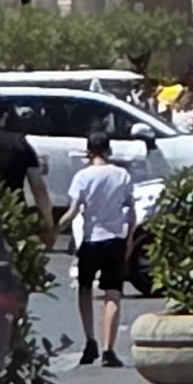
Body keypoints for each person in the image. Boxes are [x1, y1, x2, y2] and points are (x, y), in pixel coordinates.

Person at [66, 129, 137, 364]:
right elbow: (131, 212)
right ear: (109, 150)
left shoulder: (83, 177)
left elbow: (74, 210)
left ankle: (90, 341)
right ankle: (109, 349)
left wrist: (54, 228)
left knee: (85, 290)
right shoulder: (122, 175)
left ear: (89, 152)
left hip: (91, 239)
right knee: (113, 294)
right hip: (115, 238)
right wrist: (128, 240)